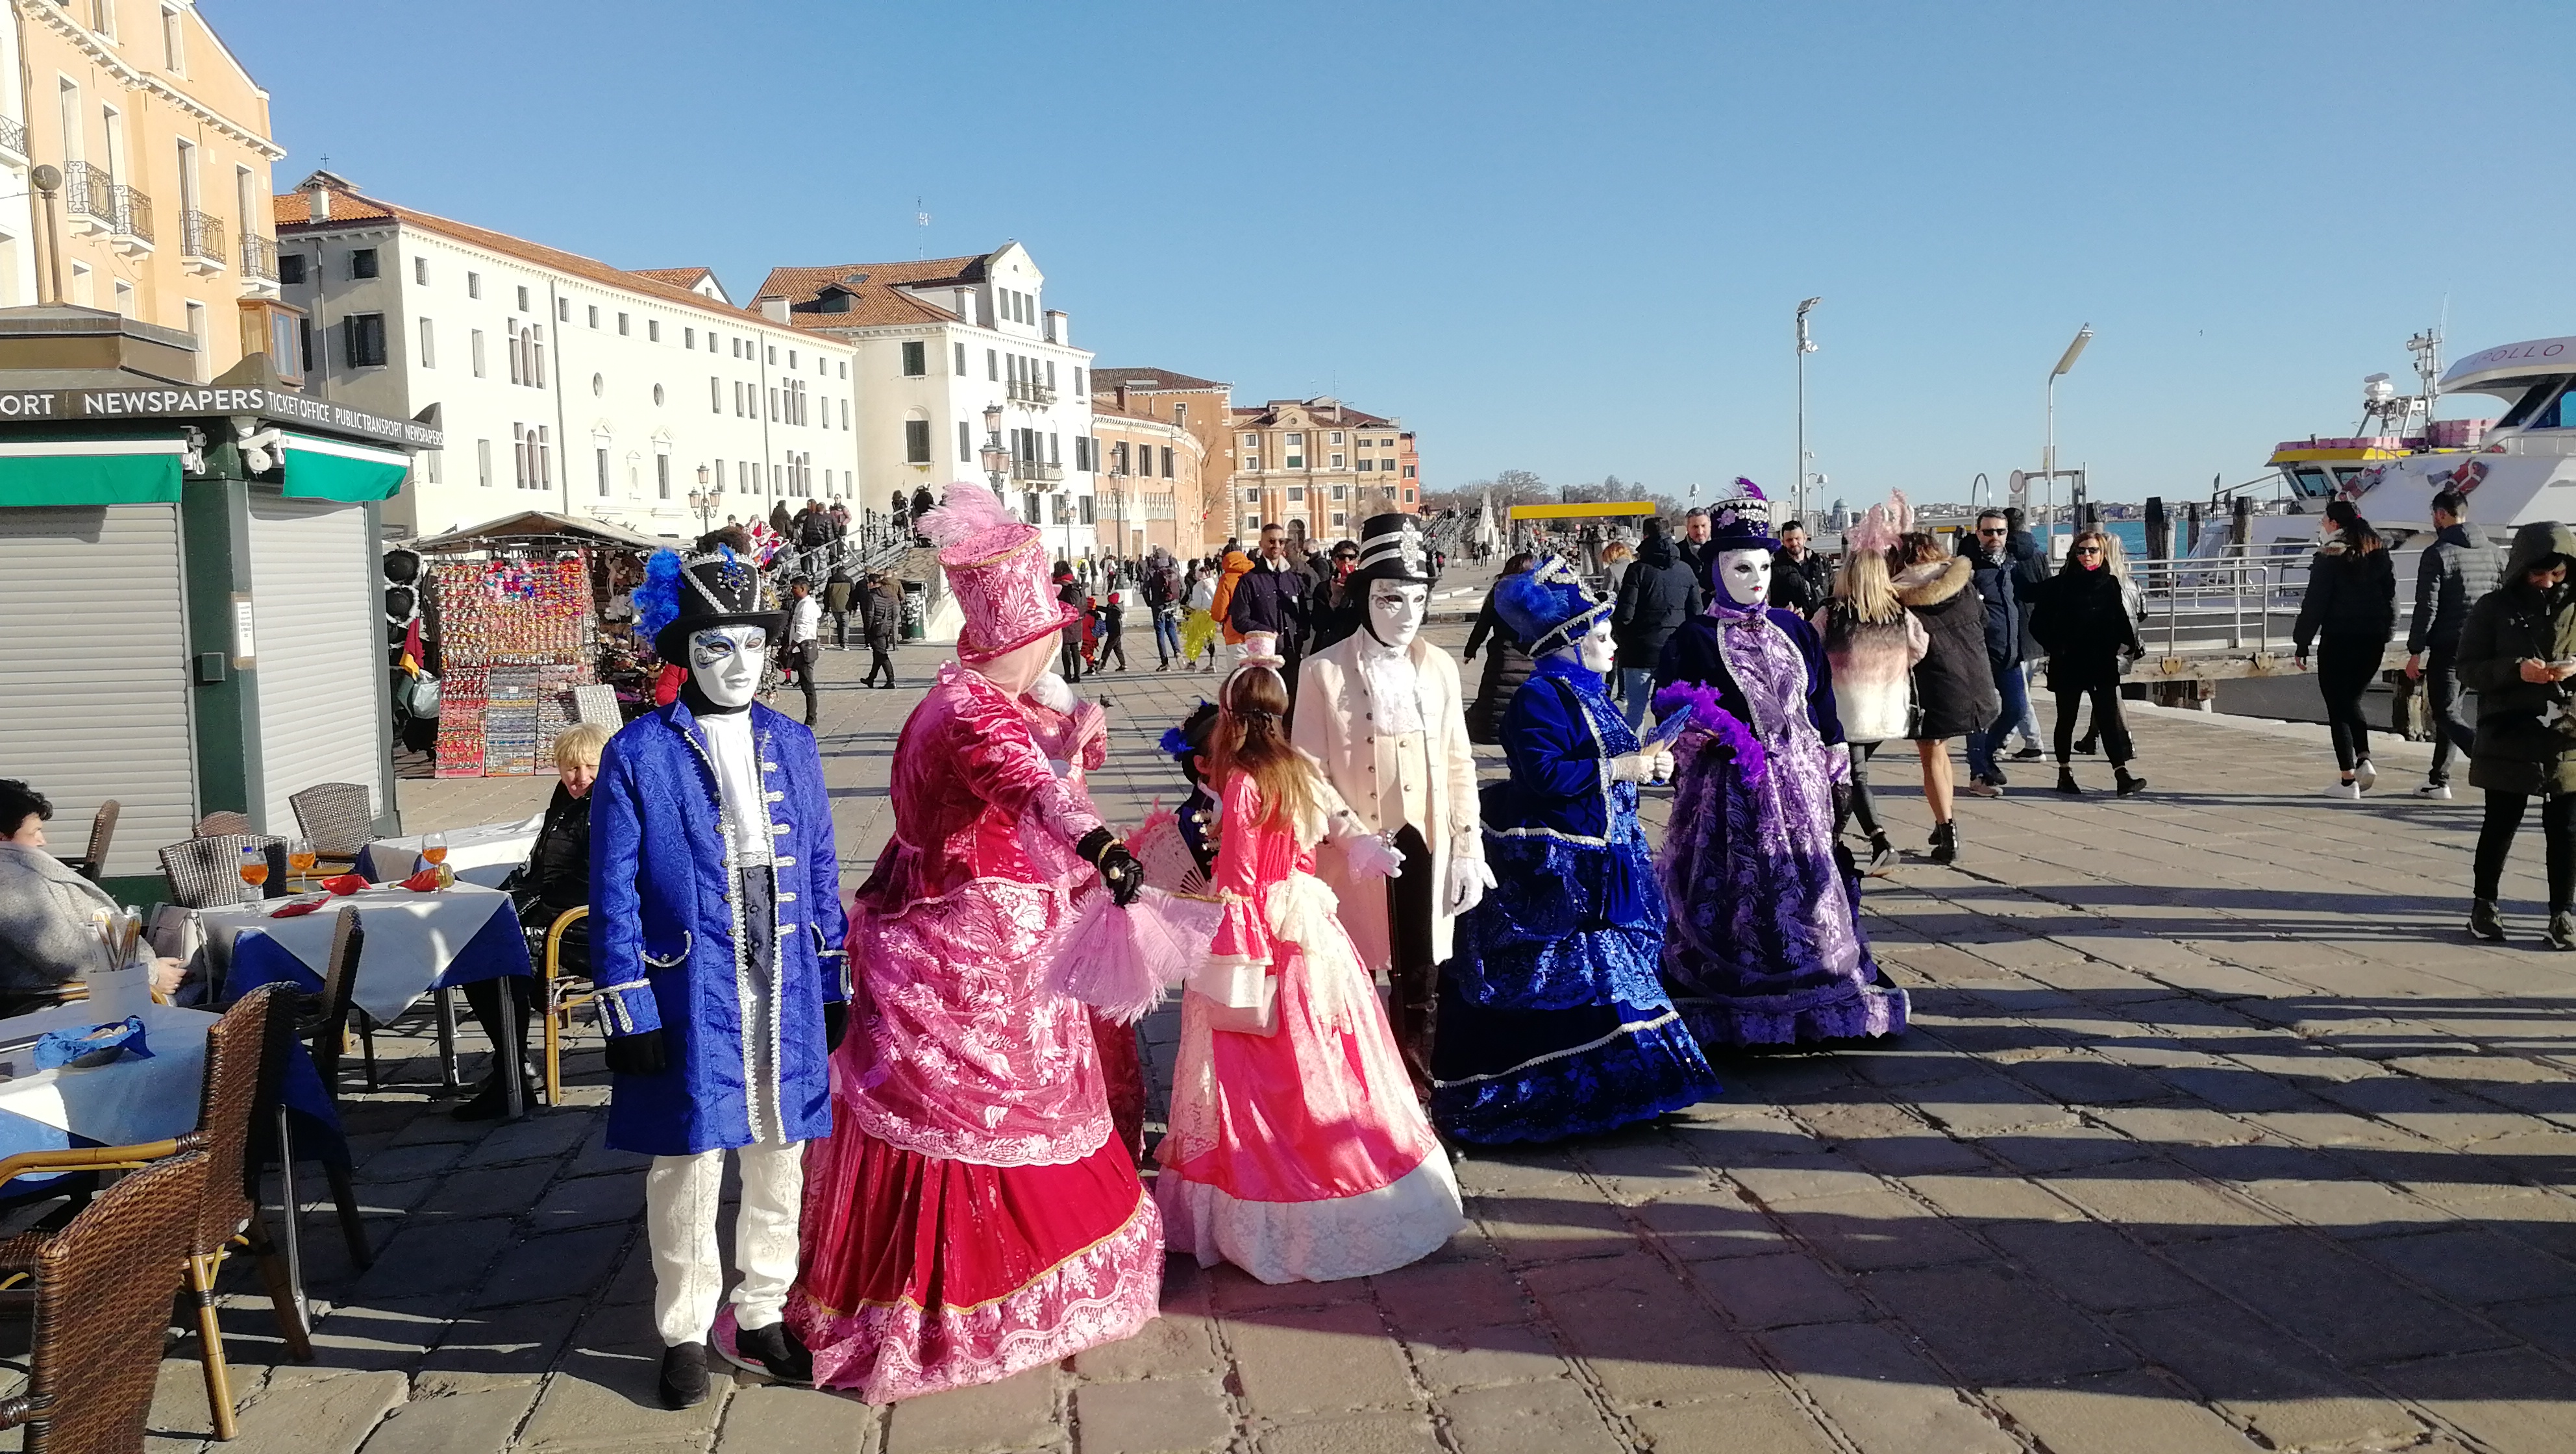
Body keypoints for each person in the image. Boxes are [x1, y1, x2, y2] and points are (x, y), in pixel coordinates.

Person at [785, 484, 1158, 1399]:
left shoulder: (963, 696)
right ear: (1022, 639)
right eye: (1051, 636)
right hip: (970, 943)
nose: (1057, 648)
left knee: (978, 1095)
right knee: (983, 1105)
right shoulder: (976, 713)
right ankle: (962, 1295)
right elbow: (1030, 788)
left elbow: (1035, 764)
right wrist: (1103, 847)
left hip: (940, 919)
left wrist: (1068, 734)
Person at [595, 545, 850, 1407]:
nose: (739, 664)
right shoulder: (637, 751)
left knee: (781, 1146)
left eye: (752, 645)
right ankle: (684, 1328)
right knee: (690, 1154)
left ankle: (765, 1307)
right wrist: (627, 1002)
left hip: (785, 974)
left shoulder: (794, 741)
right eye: (717, 646)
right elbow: (613, 887)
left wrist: (832, 975)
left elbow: (820, 863)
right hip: (688, 976)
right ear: (685, 652)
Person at [1156, 644, 1464, 1281]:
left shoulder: (1242, 782)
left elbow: (1238, 882)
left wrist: (1221, 947)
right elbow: (1326, 832)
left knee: (1255, 1066)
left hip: (1263, 931)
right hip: (1313, 929)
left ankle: (1275, 1191)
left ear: (1230, 717)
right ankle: (1365, 1174)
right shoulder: (1299, 768)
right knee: (1333, 1056)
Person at [1435, 559, 1722, 1144]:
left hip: (1608, 853)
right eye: (1602, 636)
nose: (1614, 646)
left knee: (1621, 970)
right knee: (1578, 971)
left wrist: (1649, 761)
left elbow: (1611, 762)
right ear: (1569, 644)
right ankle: (1571, 1092)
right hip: (1560, 865)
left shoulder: (1592, 693)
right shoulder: (1539, 696)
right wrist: (1623, 767)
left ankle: (1639, 1083)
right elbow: (1543, 775)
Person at [1652, 482, 1907, 1045]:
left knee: (1808, 883)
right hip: (1730, 793)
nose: (1757, 579)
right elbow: (1669, 710)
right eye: (1742, 568)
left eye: (1764, 567)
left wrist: (1836, 765)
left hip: (1801, 784)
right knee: (1740, 890)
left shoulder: (1794, 630)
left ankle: (1819, 985)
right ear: (1717, 570)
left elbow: (1822, 704)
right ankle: (1737, 995)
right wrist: (1705, 738)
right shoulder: (1693, 638)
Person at [1294, 515, 1491, 1100]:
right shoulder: (1321, 671)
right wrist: (1351, 836)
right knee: (1354, 976)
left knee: (1423, 975)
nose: (1406, 614)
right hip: (1353, 853)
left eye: (1417, 599)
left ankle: (1417, 1096)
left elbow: (1458, 761)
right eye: (1390, 599)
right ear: (1365, 598)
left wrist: (1468, 846)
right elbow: (1308, 771)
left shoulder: (1441, 668)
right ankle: (1359, 1098)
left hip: (1427, 842)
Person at [460, 723, 608, 1122]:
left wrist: (529, 910)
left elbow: (592, 882)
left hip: (585, 928)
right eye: (571, 768)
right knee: (478, 940)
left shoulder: (606, 805)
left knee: (491, 957)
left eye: (590, 767)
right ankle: (513, 1066)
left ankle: (512, 1074)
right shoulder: (566, 797)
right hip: (557, 914)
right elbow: (543, 866)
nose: (580, 778)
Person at [0, 780, 186, 1017]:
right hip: (63, 1006)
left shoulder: (17, 870)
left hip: (92, 992)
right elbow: (67, 957)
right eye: (33, 832)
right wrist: (150, 974)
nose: (42, 841)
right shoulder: (9, 882)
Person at [1813, 513, 1926, 876]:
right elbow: (1920, 647)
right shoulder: (1898, 614)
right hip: (1886, 711)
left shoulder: (1832, 614)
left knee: (1853, 777)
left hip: (1846, 711)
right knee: (1851, 775)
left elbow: (1809, 649)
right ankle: (1832, 841)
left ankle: (1879, 842)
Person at [1892, 531, 1998, 864]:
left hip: (1935, 687)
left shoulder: (1900, 596)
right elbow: (1985, 621)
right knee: (1942, 754)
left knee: (1932, 757)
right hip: (1977, 682)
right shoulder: (1962, 585)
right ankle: (1944, 819)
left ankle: (1947, 831)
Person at [2031, 528, 2148, 798]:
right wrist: (2057, 647)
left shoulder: (2110, 583)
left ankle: (2121, 774)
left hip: (2101, 662)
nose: (2086, 555)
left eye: (2092, 550)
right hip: (2068, 662)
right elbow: (2037, 623)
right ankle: (2064, 772)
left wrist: (2125, 644)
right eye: (2081, 551)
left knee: (2108, 718)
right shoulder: (2059, 585)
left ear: (2102, 553)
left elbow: (2121, 618)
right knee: (2067, 718)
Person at [2294, 503, 2397, 798]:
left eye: (2324, 520)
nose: (2322, 524)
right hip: (2373, 639)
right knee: (2351, 700)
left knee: (2338, 705)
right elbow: (2391, 596)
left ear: (2335, 524)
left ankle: (2348, 779)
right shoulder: (2379, 551)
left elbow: (2315, 602)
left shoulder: (2330, 555)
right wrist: (2388, 631)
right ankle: (2364, 758)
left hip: (2339, 638)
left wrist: (2302, 642)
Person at [2407, 489, 2499, 799]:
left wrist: (2416, 650)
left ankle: (2486, 758)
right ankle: (2438, 780)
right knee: (2454, 710)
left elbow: (2427, 606)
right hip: (2487, 644)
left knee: (2445, 712)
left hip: (2451, 644)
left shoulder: (2438, 553)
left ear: (2441, 514)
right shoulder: (2496, 553)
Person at [1611, 521, 1700, 730]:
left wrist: (1623, 638)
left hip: (1639, 652)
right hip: (1674, 653)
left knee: (1635, 711)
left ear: (1645, 536)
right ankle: (1671, 748)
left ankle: (1634, 750)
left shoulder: (1637, 570)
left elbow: (1625, 615)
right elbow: (1696, 614)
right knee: (1674, 713)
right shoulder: (1685, 570)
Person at [1959, 511, 2023, 798]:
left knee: (2017, 709)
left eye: (2000, 531)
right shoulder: (1968, 568)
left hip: (2010, 652)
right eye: (1988, 532)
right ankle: (1979, 775)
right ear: (1978, 534)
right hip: (1979, 653)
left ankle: (1987, 754)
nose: (1994, 537)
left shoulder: (2011, 564)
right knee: (1980, 716)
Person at [1465, 552, 1541, 744]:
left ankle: (1491, 731)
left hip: (1503, 655)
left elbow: (1483, 623)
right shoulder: (1538, 593)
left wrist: (1471, 650)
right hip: (1531, 655)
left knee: (1496, 696)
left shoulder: (1498, 591)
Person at [1228, 525, 1309, 685]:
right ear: (1261, 544)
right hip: (1265, 661)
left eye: (1281, 541)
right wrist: (1268, 633)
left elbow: (1304, 613)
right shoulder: (1250, 580)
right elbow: (1240, 619)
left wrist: (1301, 633)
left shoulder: (1292, 579)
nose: (1276, 546)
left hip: (1292, 657)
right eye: (1271, 541)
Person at [2002, 507, 2049, 759]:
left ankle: (2033, 743)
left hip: (2014, 630)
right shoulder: (2039, 554)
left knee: (2019, 694)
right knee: (2022, 690)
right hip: (2036, 629)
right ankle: (2003, 740)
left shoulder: (2006, 557)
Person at [1308, 539, 1365, 652]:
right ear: (1335, 560)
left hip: (1355, 647)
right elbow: (1318, 624)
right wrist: (1335, 599)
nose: (1346, 561)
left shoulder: (1363, 588)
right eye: (1342, 557)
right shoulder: (1323, 588)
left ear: (1357, 561)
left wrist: (1352, 589)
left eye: (1351, 557)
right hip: (1330, 646)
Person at [784, 576, 823, 728]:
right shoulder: (804, 604)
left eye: (795, 588)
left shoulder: (806, 606)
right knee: (805, 683)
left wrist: (791, 645)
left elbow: (802, 630)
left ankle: (812, 718)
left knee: (808, 684)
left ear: (802, 589)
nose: (792, 591)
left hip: (804, 647)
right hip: (802, 647)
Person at [1769, 521, 1830, 614]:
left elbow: (1835, 593)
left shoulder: (1821, 563)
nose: (1794, 543)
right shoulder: (1775, 568)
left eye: (1797, 538)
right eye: (1789, 540)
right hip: (1793, 620)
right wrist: (1786, 612)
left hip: (1822, 619)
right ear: (1783, 542)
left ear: (1805, 538)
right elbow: (1771, 601)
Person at [1143, 548, 1182, 669]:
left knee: (1160, 633)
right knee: (1171, 628)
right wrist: (1177, 601)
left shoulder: (1152, 571)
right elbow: (1184, 587)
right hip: (1171, 605)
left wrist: (1149, 603)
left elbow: (1145, 590)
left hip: (1158, 606)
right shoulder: (1173, 570)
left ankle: (1165, 663)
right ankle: (1177, 652)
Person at [861, 573, 900, 689]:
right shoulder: (890, 594)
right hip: (886, 626)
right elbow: (894, 613)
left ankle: (891, 680)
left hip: (876, 627)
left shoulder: (872, 596)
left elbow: (870, 615)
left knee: (882, 654)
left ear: (872, 583)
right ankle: (871, 679)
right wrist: (890, 626)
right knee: (878, 653)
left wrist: (867, 631)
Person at [1183, 558, 1223, 673]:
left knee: (1194, 638)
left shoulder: (1198, 586)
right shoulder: (1213, 584)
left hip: (1201, 615)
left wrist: (1189, 604)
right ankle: (1212, 662)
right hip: (1212, 615)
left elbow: (1197, 604)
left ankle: (1193, 663)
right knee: (1209, 638)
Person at [1054, 561, 1085, 683]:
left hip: (1067, 619)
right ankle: (1077, 675)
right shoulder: (1075, 582)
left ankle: (1068, 674)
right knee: (1075, 647)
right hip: (1078, 619)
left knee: (1066, 647)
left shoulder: (1062, 585)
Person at [1675, 507, 1715, 584]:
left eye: (1703, 526)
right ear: (1687, 528)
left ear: (1710, 526)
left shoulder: (1720, 550)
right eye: (1695, 527)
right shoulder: (1677, 552)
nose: (1700, 532)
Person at [824, 560, 856, 651]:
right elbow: (854, 594)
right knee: (845, 624)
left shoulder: (831, 580)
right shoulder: (849, 580)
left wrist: (827, 608)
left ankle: (841, 641)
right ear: (845, 572)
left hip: (835, 606)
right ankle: (844, 642)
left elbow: (826, 595)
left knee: (839, 623)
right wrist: (854, 606)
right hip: (846, 606)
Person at [1098, 589, 1129, 672]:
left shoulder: (1115, 610)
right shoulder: (1113, 608)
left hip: (1115, 633)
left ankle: (1102, 666)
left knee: (1107, 648)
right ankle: (1123, 665)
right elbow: (1106, 610)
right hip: (1116, 632)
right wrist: (1096, 607)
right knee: (1117, 649)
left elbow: (1107, 611)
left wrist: (1096, 607)